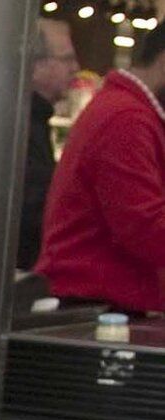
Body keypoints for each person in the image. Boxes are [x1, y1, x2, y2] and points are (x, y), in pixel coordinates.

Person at [36, 28, 165, 314]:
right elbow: (146, 227)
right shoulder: (126, 119)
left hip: (104, 303)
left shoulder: (129, 110)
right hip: (98, 307)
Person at [21, 17, 78, 270]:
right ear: (36, 65)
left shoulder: (34, 116)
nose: (76, 68)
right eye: (67, 59)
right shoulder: (19, 122)